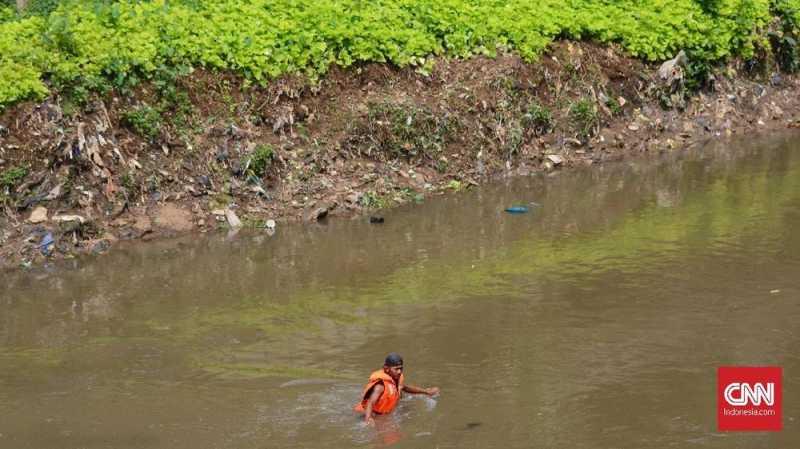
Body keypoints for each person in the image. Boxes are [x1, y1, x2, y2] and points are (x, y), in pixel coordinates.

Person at [354, 352, 440, 424]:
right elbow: (370, 403)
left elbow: (405, 387)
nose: (399, 372)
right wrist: (368, 419)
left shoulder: (395, 379)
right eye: (396, 369)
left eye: (401, 368)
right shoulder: (380, 386)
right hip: (371, 415)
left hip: (385, 413)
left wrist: (426, 392)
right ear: (386, 369)